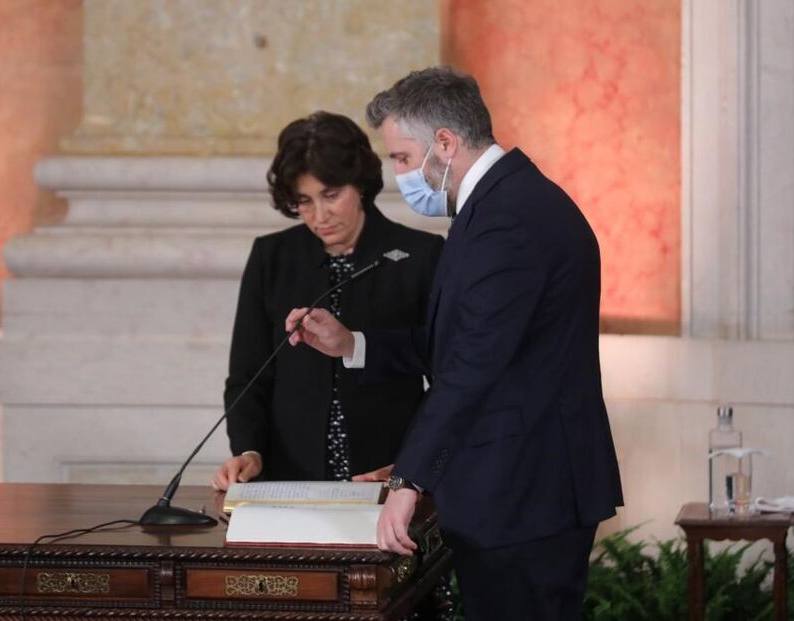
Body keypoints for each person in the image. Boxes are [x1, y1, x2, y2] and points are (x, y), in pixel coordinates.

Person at [286, 67, 624, 621]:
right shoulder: (496, 205)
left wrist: (408, 479)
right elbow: (458, 345)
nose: (397, 175)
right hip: (515, 491)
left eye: (400, 157)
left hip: (525, 495)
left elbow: (472, 367)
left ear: (445, 143)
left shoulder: (507, 218)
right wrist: (353, 343)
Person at [213, 110, 444, 490]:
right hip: (290, 479)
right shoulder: (271, 257)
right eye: (304, 201)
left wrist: (416, 461)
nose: (319, 216)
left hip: (393, 479)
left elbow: (446, 378)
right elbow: (247, 376)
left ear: (362, 186)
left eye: (331, 195)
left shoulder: (421, 255)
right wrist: (249, 450)